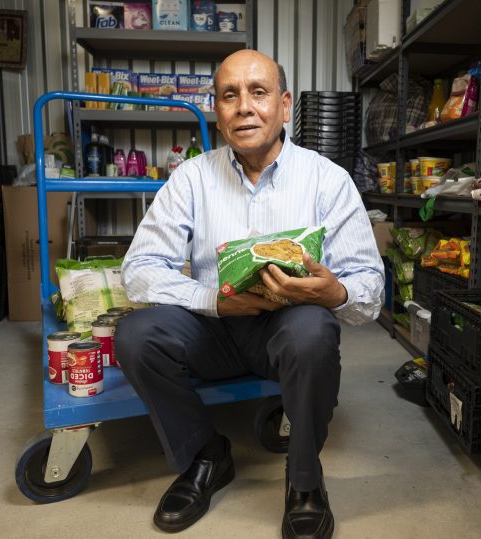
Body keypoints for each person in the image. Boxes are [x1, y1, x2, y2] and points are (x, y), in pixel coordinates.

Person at [115, 49, 384, 539]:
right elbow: (137, 271)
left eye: (258, 93)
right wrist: (214, 300)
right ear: (216, 111)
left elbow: (370, 290)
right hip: (212, 329)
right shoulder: (191, 178)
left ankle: (304, 481)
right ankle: (205, 457)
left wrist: (333, 291)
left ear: (284, 106)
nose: (244, 107)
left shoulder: (328, 181)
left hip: (284, 334)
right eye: (229, 95)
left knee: (313, 329)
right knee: (135, 334)